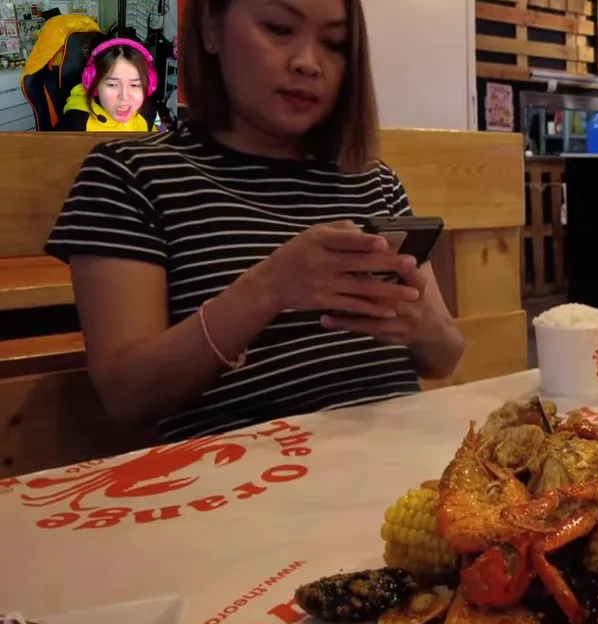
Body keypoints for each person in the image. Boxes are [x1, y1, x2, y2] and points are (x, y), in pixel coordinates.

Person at [45, 0, 463, 441]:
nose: (308, 62)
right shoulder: (131, 175)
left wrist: (424, 327)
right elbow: (126, 395)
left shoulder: (373, 180)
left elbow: (447, 356)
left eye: (335, 43)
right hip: (240, 470)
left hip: (402, 456)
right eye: (279, 28)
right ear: (211, 28)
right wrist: (269, 287)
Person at [57, 34, 158, 132]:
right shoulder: (75, 125)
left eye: (134, 85)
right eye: (112, 85)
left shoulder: (147, 113)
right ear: (94, 83)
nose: (124, 97)